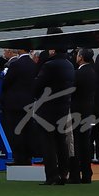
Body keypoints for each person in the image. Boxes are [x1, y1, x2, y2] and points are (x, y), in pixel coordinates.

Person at [32, 47, 75, 184]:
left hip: (47, 109)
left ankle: (51, 175)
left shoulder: (49, 65)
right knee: (61, 142)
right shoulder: (69, 64)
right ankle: (64, 173)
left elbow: (37, 86)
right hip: (63, 107)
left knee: (48, 143)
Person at [0, 48, 38, 165]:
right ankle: (27, 157)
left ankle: (19, 158)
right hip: (29, 102)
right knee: (27, 131)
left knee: (16, 132)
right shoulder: (33, 64)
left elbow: (6, 83)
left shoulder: (15, 64)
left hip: (15, 103)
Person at [72, 48, 97, 181]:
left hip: (77, 110)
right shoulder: (93, 72)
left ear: (81, 57)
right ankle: (87, 173)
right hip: (88, 110)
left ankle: (75, 173)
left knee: (76, 143)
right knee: (85, 143)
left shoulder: (77, 73)